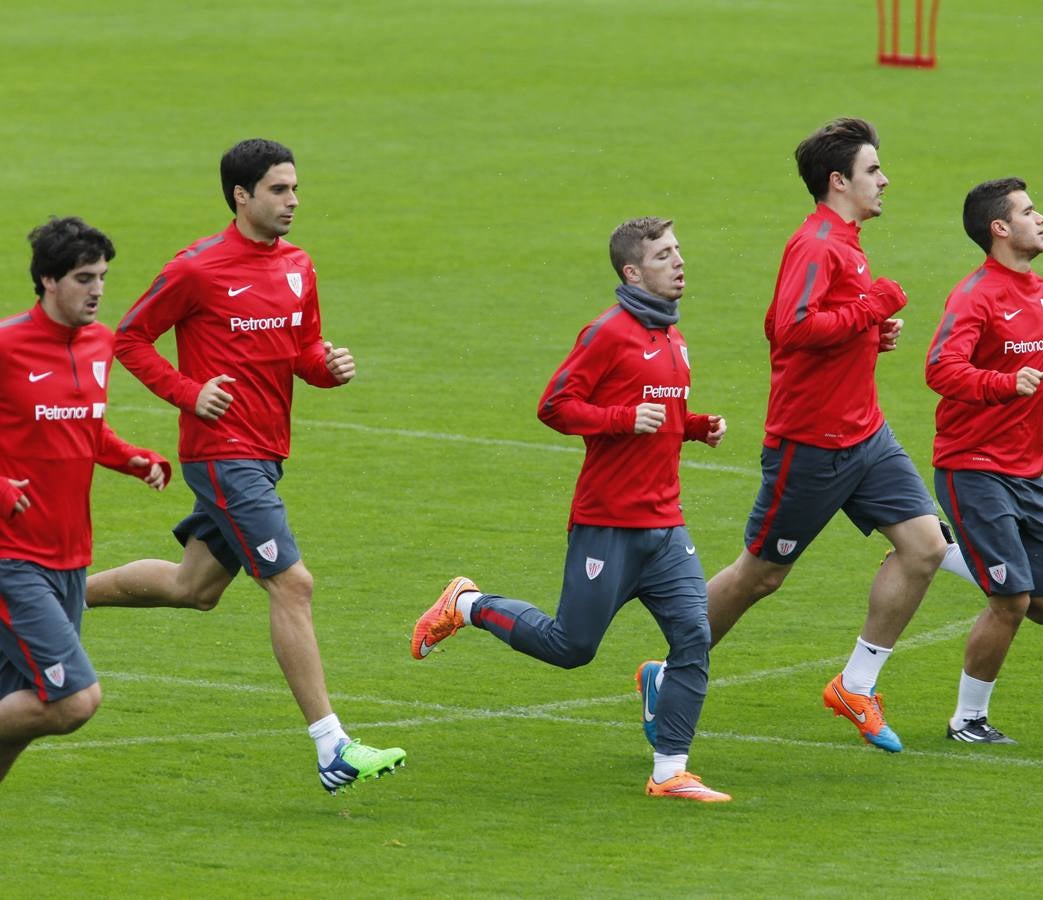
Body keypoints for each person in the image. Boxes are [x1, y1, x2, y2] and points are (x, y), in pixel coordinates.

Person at [85, 139, 405, 793]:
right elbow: (129, 338)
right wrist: (188, 393)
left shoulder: (298, 265)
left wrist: (327, 368)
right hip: (222, 454)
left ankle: (39, 594)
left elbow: (303, 349)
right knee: (293, 585)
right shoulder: (197, 269)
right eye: (279, 190)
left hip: (265, 454)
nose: (293, 201)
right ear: (242, 196)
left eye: (295, 189)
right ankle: (331, 747)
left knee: (191, 588)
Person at [637, 117, 960, 755]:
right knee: (760, 576)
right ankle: (669, 674)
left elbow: (796, 323)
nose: (884, 179)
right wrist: (871, 309)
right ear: (838, 181)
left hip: (865, 434)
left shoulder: (847, 240)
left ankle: (856, 684)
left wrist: (867, 333)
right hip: (811, 445)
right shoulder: (817, 244)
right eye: (873, 170)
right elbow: (788, 328)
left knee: (924, 547)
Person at [411, 217, 731, 802]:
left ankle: (670, 771)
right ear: (633, 272)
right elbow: (555, 406)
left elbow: (657, 416)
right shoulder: (608, 334)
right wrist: (622, 419)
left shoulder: (675, 339)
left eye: (679, 250)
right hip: (606, 526)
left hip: (664, 525)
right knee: (571, 648)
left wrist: (694, 426)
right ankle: (468, 603)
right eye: (664, 255)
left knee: (694, 638)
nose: (680, 262)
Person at [0, 217, 171, 783]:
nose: (98, 288)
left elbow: (84, 428)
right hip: (13, 559)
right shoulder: (6, 347)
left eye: (102, 276)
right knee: (73, 700)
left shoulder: (99, 343)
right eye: (83, 277)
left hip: (71, 557)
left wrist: (132, 458)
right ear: (48, 281)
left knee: (21, 709)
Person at [926, 179, 1043, 743]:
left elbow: (1026, 374)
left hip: (1026, 470)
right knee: (1012, 600)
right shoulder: (974, 295)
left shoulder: (1038, 288)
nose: (1040, 217)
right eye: (1028, 211)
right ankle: (967, 720)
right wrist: (1004, 384)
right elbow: (941, 370)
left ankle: (939, 551)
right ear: (1000, 228)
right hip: (972, 464)